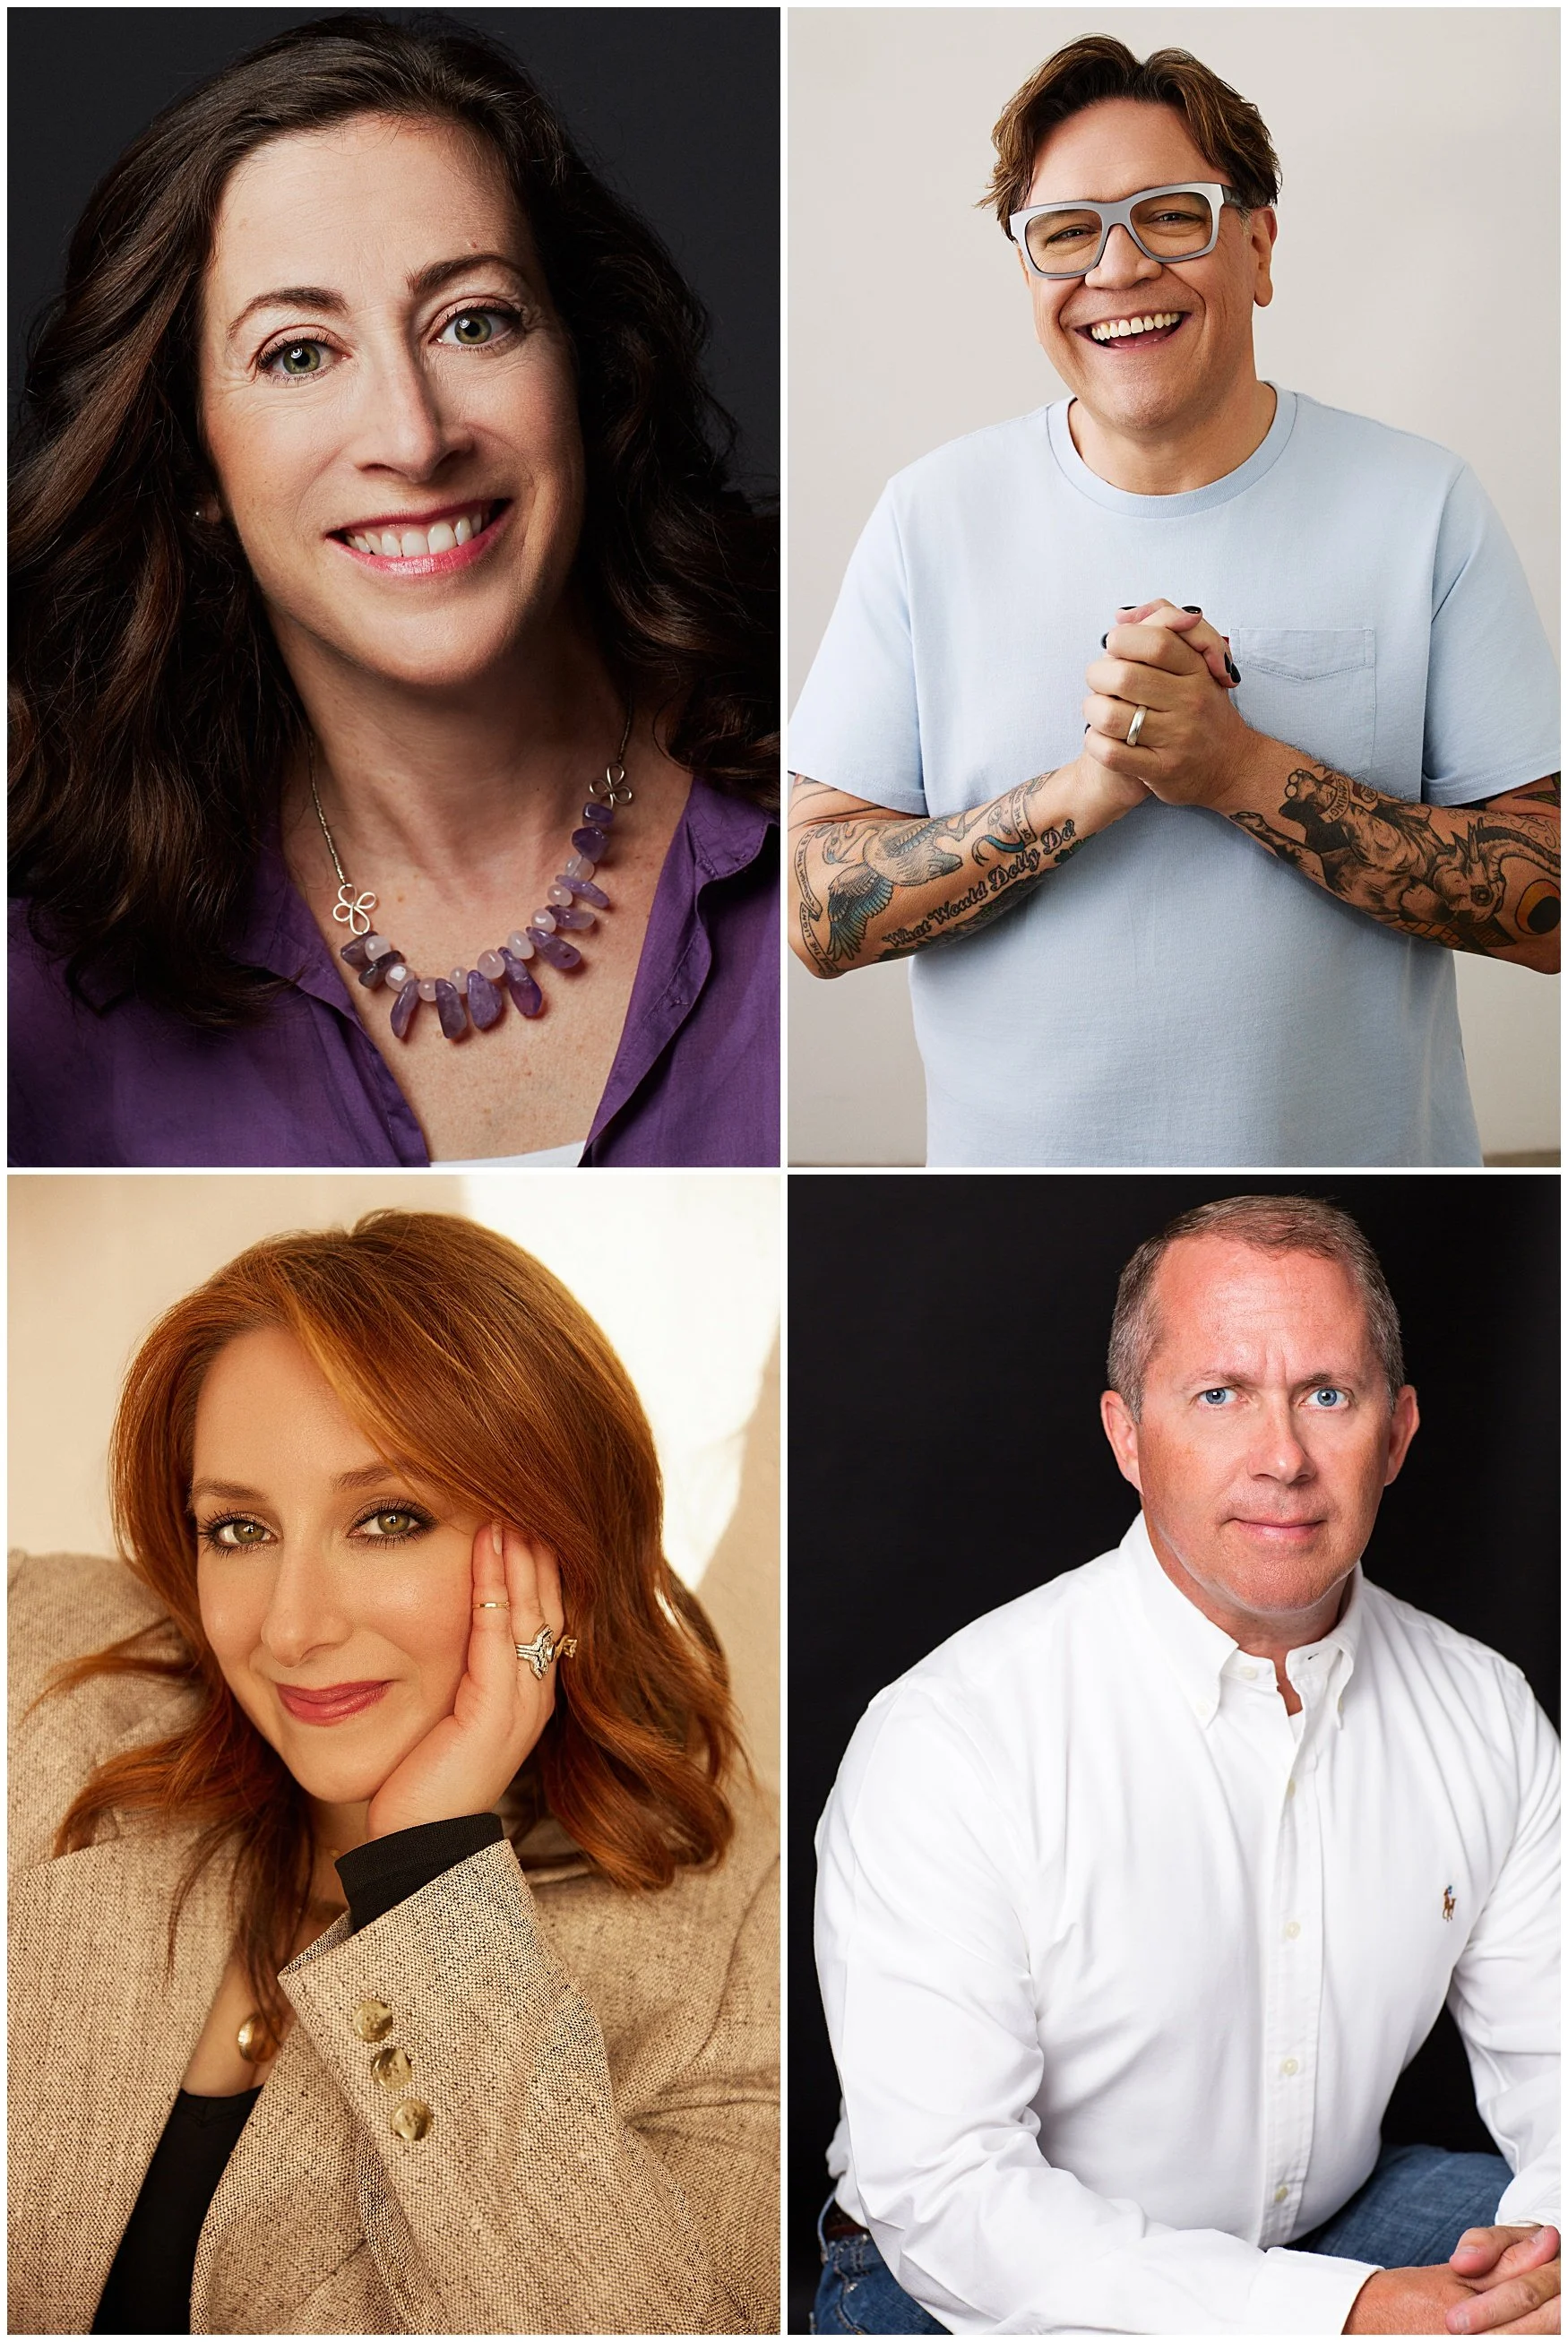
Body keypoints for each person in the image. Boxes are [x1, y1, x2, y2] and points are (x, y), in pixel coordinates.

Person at [11, 13, 779, 1168]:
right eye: (299, 353)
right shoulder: (57, 968)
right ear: (195, 461)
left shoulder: (828, 773)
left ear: (584, 368)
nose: (413, 439)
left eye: (473, 322)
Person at [788, 39, 1559, 1167]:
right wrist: (1083, 792)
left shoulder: (1420, 501)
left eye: (1172, 216)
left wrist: (1238, 769)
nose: (1116, 270)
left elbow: (1546, 889)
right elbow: (814, 910)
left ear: (1257, 243)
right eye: (1066, 233)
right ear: (1027, 272)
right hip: (1014, 1221)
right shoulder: (930, 516)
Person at [9, 1210, 779, 2334]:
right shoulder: (37, 1654)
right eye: (237, 1530)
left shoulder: (738, 1924)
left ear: (554, 1539)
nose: (292, 1627)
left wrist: (427, 1876)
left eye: (386, 1518)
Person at [814, 1194, 1558, 2335]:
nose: (1283, 1458)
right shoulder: (949, 1739)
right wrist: (1345, 2318)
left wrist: (1534, 2266)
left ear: (1397, 1432)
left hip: (1327, 2225)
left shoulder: (1486, 1712)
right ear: (1126, 1434)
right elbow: (954, 2204)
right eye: (1220, 1395)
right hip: (965, 2280)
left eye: (1327, 1395)